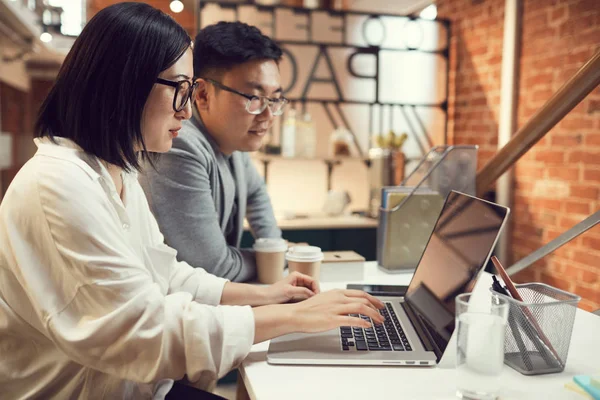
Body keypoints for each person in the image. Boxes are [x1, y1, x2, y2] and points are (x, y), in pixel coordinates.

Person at [0, 3, 384, 399]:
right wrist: (291, 315)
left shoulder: (117, 173)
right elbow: (141, 332)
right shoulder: (59, 184)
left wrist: (268, 295)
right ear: (124, 83)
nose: (186, 110)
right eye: (180, 89)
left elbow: (167, 274)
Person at [139, 22, 286, 282]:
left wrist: (275, 250)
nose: (267, 115)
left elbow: (257, 195)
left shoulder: (234, 143)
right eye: (253, 97)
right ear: (203, 95)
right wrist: (274, 259)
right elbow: (213, 268)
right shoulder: (178, 145)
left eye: (274, 99)